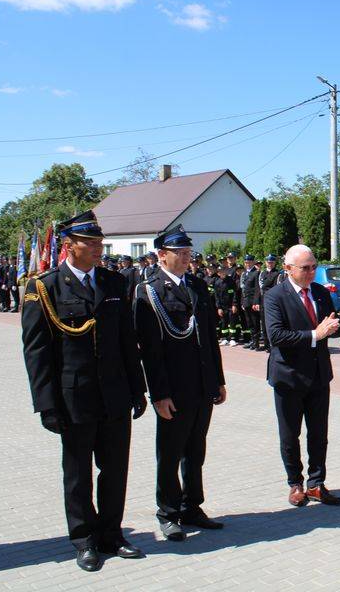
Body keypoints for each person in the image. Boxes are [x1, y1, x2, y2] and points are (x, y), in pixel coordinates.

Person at [20, 210, 147, 572]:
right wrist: (46, 405)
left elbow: (126, 341)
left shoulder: (114, 282)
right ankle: (84, 539)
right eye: (89, 243)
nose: (97, 249)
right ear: (68, 245)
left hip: (115, 395)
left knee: (115, 469)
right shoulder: (45, 287)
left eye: (99, 243)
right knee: (77, 474)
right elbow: (37, 352)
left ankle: (112, 534)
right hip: (74, 397)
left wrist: (137, 389)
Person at [134, 225, 227, 542]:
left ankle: (192, 506)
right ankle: (168, 512)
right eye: (181, 253)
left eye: (188, 252)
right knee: (170, 453)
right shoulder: (149, 291)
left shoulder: (197, 286)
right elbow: (150, 350)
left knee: (195, 450)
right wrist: (159, 394)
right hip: (173, 389)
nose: (188, 258)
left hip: (202, 385)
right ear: (162, 255)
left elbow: (209, 338)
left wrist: (218, 380)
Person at [264, 244, 340, 506]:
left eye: (314, 267)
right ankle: (295, 483)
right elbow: (276, 336)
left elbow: (332, 324)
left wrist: (336, 326)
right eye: (305, 268)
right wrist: (315, 335)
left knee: (319, 433)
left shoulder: (320, 292)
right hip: (289, 376)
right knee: (290, 435)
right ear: (287, 268)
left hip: (319, 375)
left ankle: (316, 483)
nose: (311, 272)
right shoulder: (275, 296)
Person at [257, 254, 280, 351]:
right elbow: (259, 288)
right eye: (268, 262)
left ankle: (271, 345)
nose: (270, 264)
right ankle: (266, 344)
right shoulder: (262, 273)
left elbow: (275, 287)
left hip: (271, 301)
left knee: (272, 323)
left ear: (274, 263)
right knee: (263, 323)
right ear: (265, 262)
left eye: (272, 262)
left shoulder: (277, 273)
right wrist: (256, 302)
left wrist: (266, 288)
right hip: (262, 301)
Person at [240, 254, 262, 350]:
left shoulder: (256, 273)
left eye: (249, 262)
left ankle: (256, 342)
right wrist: (242, 302)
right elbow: (243, 289)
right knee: (249, 322)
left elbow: (257, 289)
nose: (247, 264)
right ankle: (252, 341)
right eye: (246, 262)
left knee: (255, 322)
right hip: (246, 302)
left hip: (253, 302)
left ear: (253, 262)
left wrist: (256, 302)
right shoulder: (244, 274)